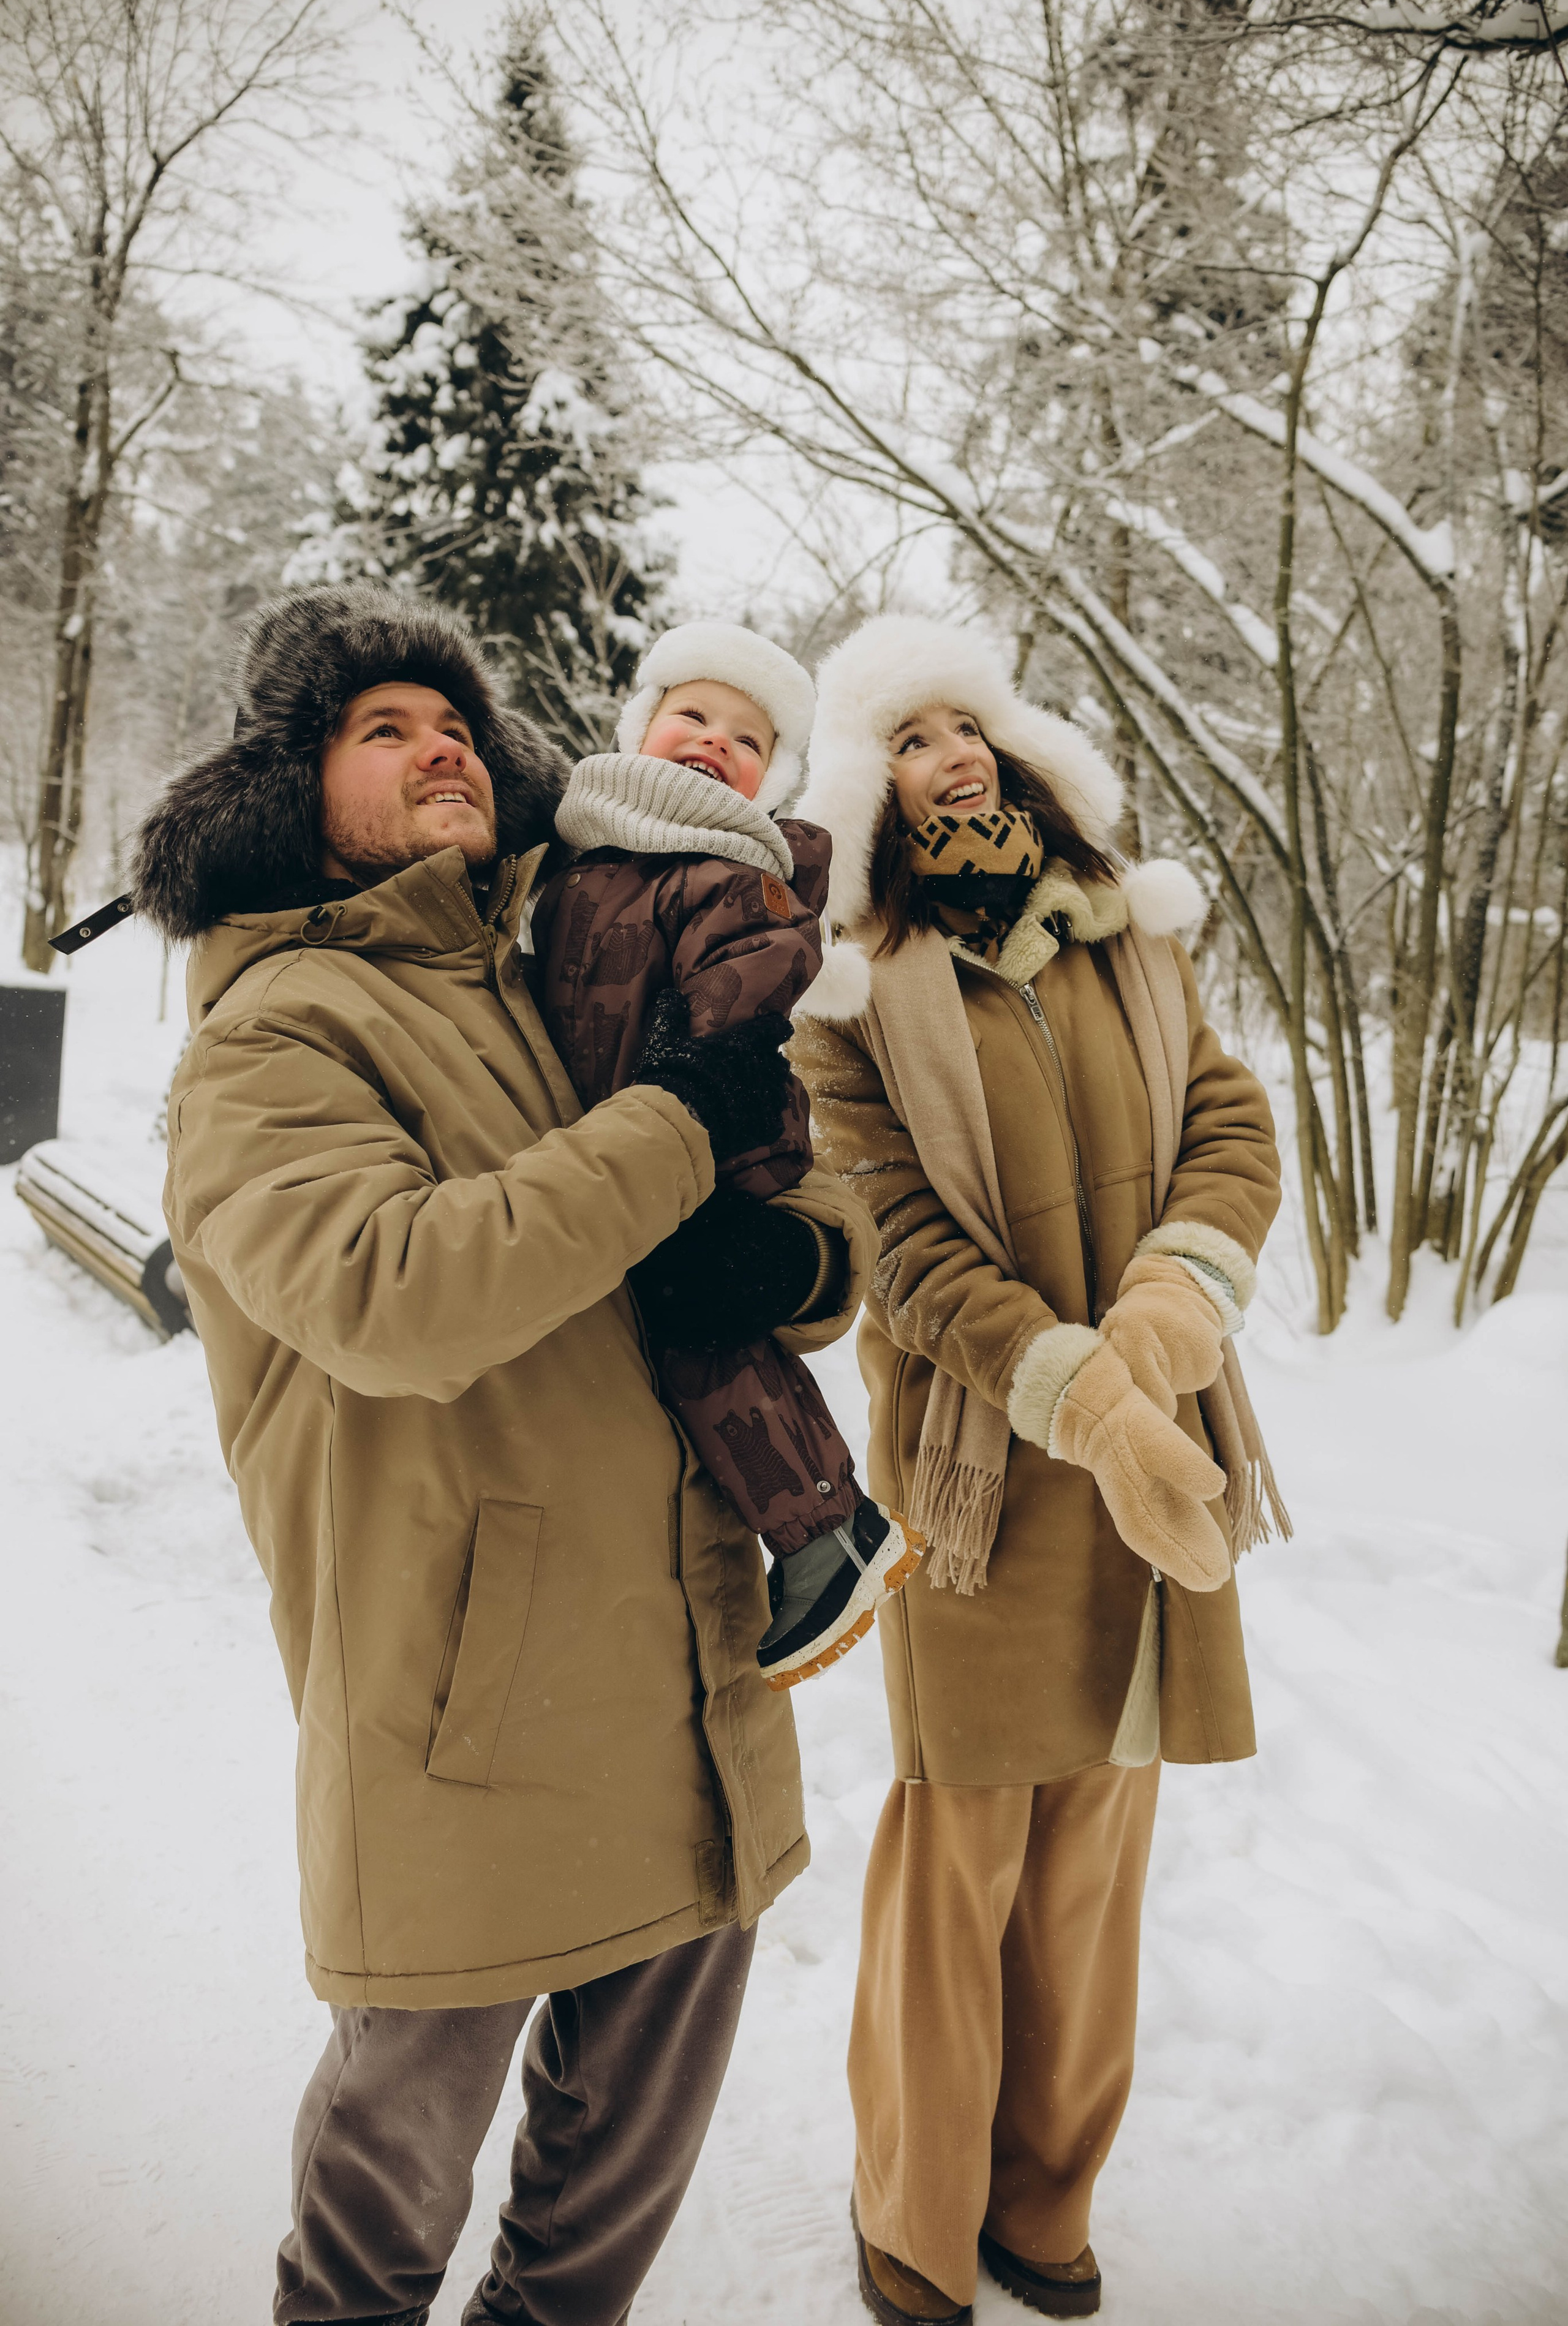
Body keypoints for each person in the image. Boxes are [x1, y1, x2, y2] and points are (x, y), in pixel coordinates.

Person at [130, 582, 873, 2326]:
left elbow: (784, 1172)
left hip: (693, 1692)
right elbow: (400, 1294)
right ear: (289, 790)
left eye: (455, 721)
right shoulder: (277, 1033)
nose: (441, 741)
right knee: (377, 2237)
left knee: (585, 2254)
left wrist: (799, 1256)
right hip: (466, 1720)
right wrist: (673, 1129)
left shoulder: (562, 959)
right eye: (383, 728)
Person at [789, 613, 1285, 2325]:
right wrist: (1075, 1387)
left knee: (1097, 1851)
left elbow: (1232, 1124)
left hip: (1162, 1442)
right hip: (981, 1471)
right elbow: (899, 1238)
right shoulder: (851, 990)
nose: (958, 753)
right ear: (870, 785)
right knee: (964, 1858)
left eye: (971, 722)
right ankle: (918, 2216)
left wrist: (1155, 1338)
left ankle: (1046, 2190)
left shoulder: (1127, 936)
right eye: (914, 735)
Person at [535, 619, 914, 1689]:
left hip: (715, 1134)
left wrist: (684, 1064)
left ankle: (825, 1531)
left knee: (706, 1337)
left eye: (746, 739)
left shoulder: (745, 868)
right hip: (611, 1143)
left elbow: (748, 981)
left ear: (769, 779)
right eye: (691, 714)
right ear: (640, 724)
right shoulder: (565, 849)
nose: (713, 742)